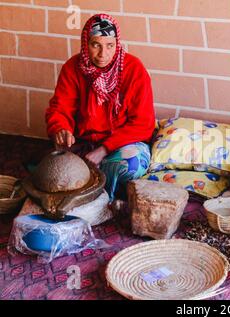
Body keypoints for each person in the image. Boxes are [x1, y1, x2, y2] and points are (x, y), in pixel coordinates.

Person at [45, 14, 155, 201]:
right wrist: (60, 129)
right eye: (96, 45)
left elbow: (143, 124)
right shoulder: (72, 68)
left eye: (110, 45)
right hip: (84, 142)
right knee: (56, 168)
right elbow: (60, 108)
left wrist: (103, 150)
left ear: (117, 44)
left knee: (132, 166)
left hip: (121, 144)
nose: (103, 54)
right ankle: (96, 182)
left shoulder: (134, 70)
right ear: (85, 44)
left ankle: (100, 193)